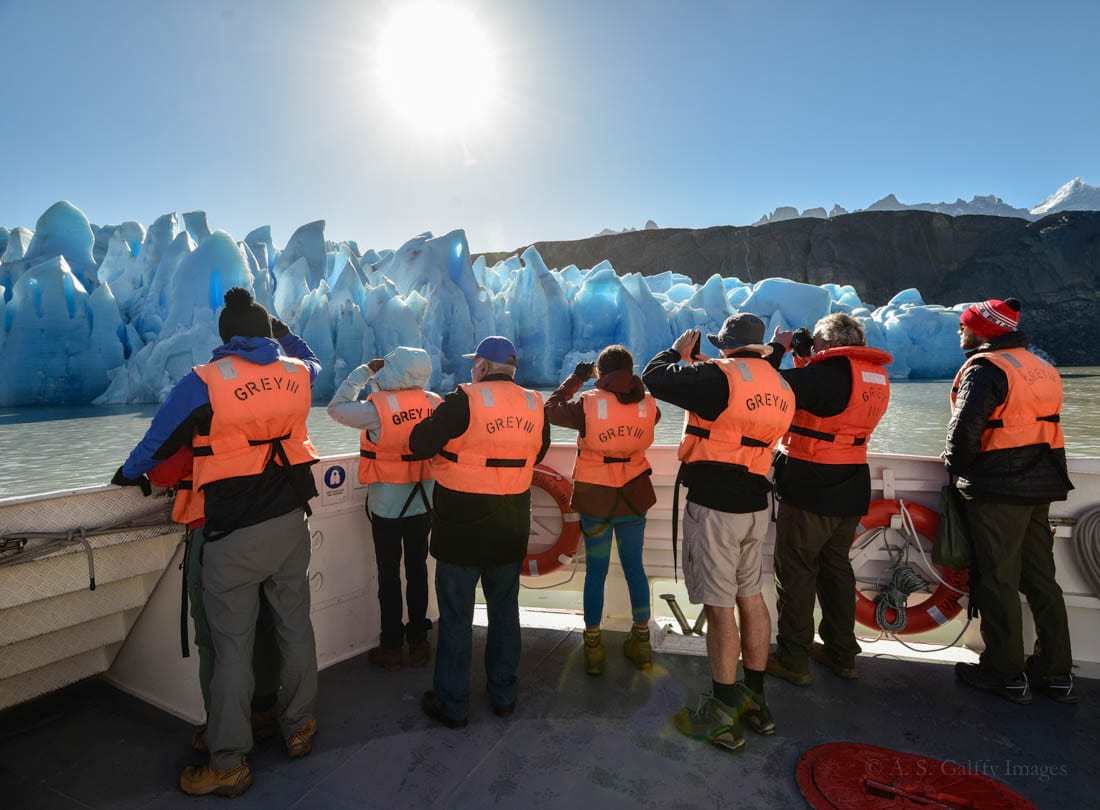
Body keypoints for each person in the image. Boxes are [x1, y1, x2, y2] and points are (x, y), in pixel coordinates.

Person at [112, 288, 322, 797]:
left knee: (230, 648)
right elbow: (312, 356)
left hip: (230, 532)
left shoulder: (204, 382)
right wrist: (283, 330)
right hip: (290, 523)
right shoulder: (296, 372)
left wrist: (127, 474)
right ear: (267, 334)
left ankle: (228, 760)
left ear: (225, 336)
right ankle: (297, 728)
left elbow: (155, 444)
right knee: (294, 628)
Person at [643, 314, 794, 754]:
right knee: (751, 596)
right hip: (756, 503)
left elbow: (655, 378)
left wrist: (676, 353)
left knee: (719, 603)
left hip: (715, 506)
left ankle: (724, 708)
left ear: (725, 346)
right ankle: (756, 700)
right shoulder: (781, 385)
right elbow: (738, 402)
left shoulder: (717, 377)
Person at [408, 336, 550, 728]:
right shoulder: (534, 404)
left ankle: (453, 704)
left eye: (476, 364)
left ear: (484, 367)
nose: (473, 369)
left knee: (456, 616)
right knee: (505, 611)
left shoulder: (463, 400)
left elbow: (420, 443)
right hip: (511, 522)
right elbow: (539, 451)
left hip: (461, 526)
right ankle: (504, 696)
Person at [946, 298, 1076, 705]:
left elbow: (965, 431)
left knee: (997, 579)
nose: (959, 333)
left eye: (964, 326)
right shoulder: (1041, 368)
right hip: (1042, 484)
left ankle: (1004, 673)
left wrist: (956, 467)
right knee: (1041, 580)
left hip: (999, 488)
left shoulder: (986, 370)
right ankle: (1056, 673)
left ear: (984, 330)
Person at [765, 313, 892, 686]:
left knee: (797, 570)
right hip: (852, 483)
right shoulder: (872, 375)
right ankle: (841, 652)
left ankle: (793, 657)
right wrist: (806, 359)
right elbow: (829, 402)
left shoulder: (825, 376)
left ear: (826, 344)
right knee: (836, 569)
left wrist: (780, 349)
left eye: (817, 346)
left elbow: (768, 387)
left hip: (812, 483)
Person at [147, 445, 282, 755]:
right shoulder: (266, 411)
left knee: (214, 639)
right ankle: (264, 710)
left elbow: (163, 472)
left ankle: (223, 733)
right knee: (263, 625)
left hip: (213, 535)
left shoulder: (202, 420)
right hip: (266, 526)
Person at [546, 344, 660, 675]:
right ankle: (641, 643)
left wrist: (575, 380)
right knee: (634, 568)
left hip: (596, 497)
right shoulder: (649, 405)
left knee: (596, 571)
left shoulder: (588, 406)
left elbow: (550, 409)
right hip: (633, 497)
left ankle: (594, 648)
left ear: (600, 372)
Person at [327, 346, 441, 670]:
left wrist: (363, 373)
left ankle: (391, 645)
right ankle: (419, 641)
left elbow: (336, 409)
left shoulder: (377, 409)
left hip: (387, 505)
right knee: (418, 569)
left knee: (389, 573)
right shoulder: (434, 402)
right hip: (423, 499)